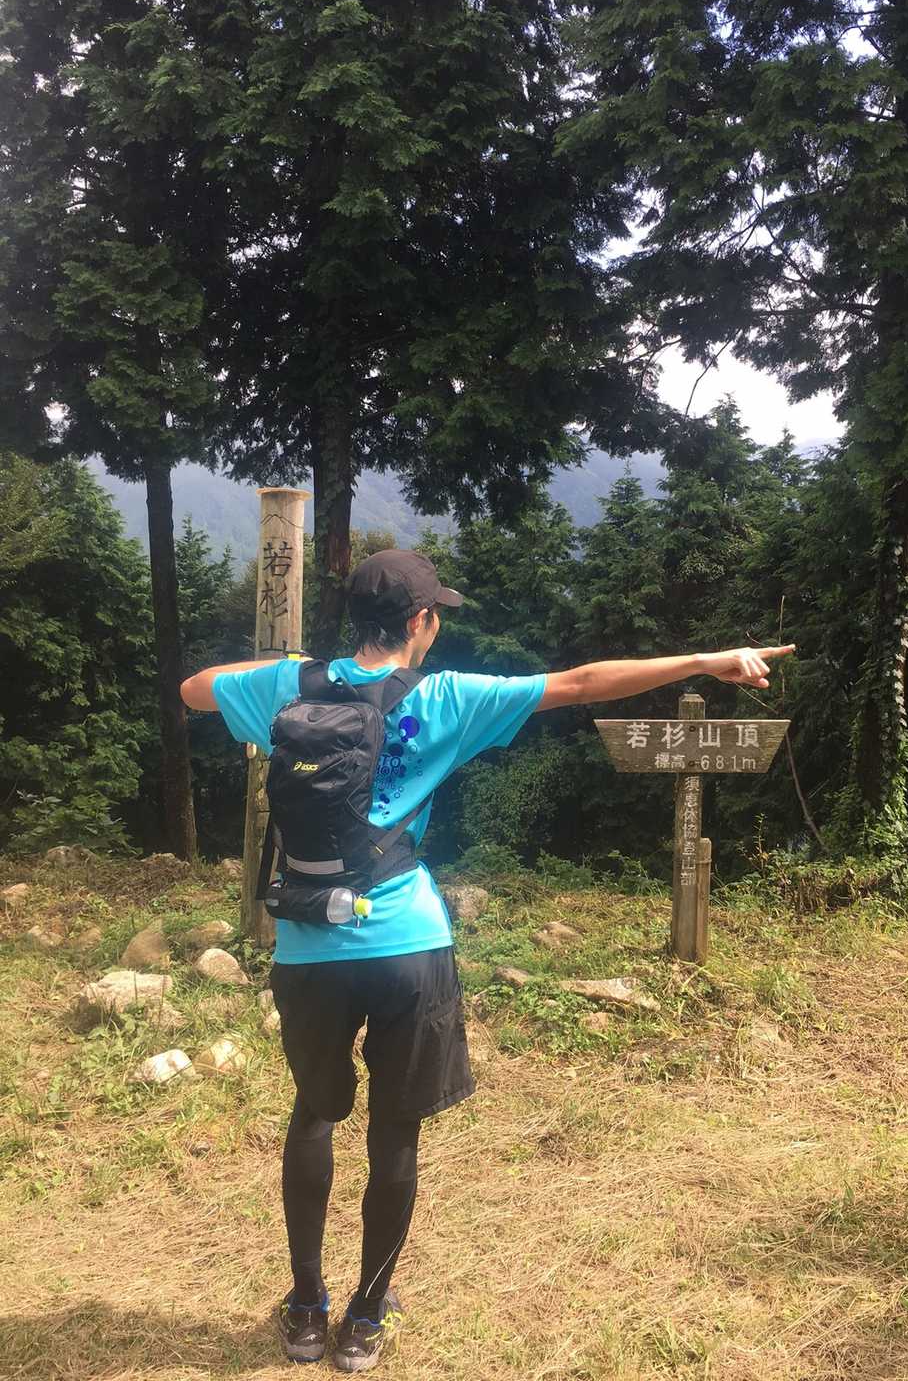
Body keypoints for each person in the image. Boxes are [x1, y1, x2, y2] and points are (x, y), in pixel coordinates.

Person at [180, 548, 793, 1372]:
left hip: (306, 945)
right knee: (395, 1130)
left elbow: (195, 689)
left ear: (356, 618)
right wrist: (707, 660)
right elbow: (583, 683)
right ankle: (365, 1319)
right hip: (407, 944)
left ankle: (305, 1308)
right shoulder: (447, 698)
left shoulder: (290, 688)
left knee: (314, 1116)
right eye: (436, 613)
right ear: (422, 622)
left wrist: (293, 669)